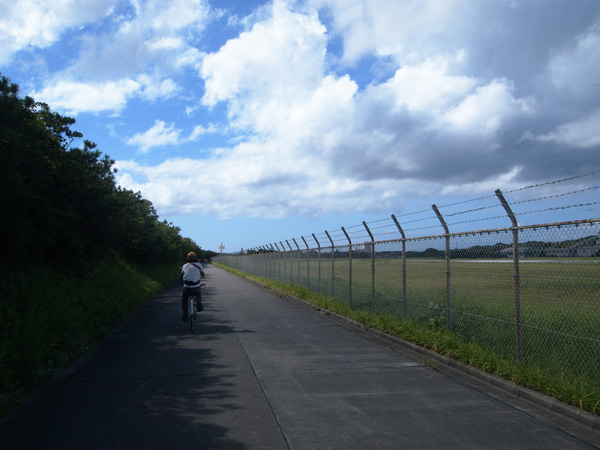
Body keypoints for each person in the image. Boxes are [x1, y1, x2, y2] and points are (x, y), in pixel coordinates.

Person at [180, 252, 205, 321]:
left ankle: (185, 315)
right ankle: (199, 304)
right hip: (196, 286)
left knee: (184, 300)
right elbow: (202, 274)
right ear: (196, 258)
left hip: (187, 287)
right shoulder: (199, 264)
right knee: (199, 294)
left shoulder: (184, 266)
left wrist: (181, 283)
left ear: (187, 258)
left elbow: (182, 275)